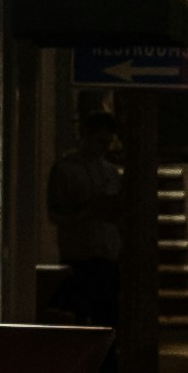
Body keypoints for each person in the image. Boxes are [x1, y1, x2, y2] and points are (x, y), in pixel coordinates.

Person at [48, 93, 125, 330]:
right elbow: (55, 214)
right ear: (86, 136)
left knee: (108, 323)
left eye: (107, 143)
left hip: (108, 257)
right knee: (81, 323)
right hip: (80, 258)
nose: (103, 148)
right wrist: (85, 213)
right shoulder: (66, 169)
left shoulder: (111, 172)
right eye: (99, 141)